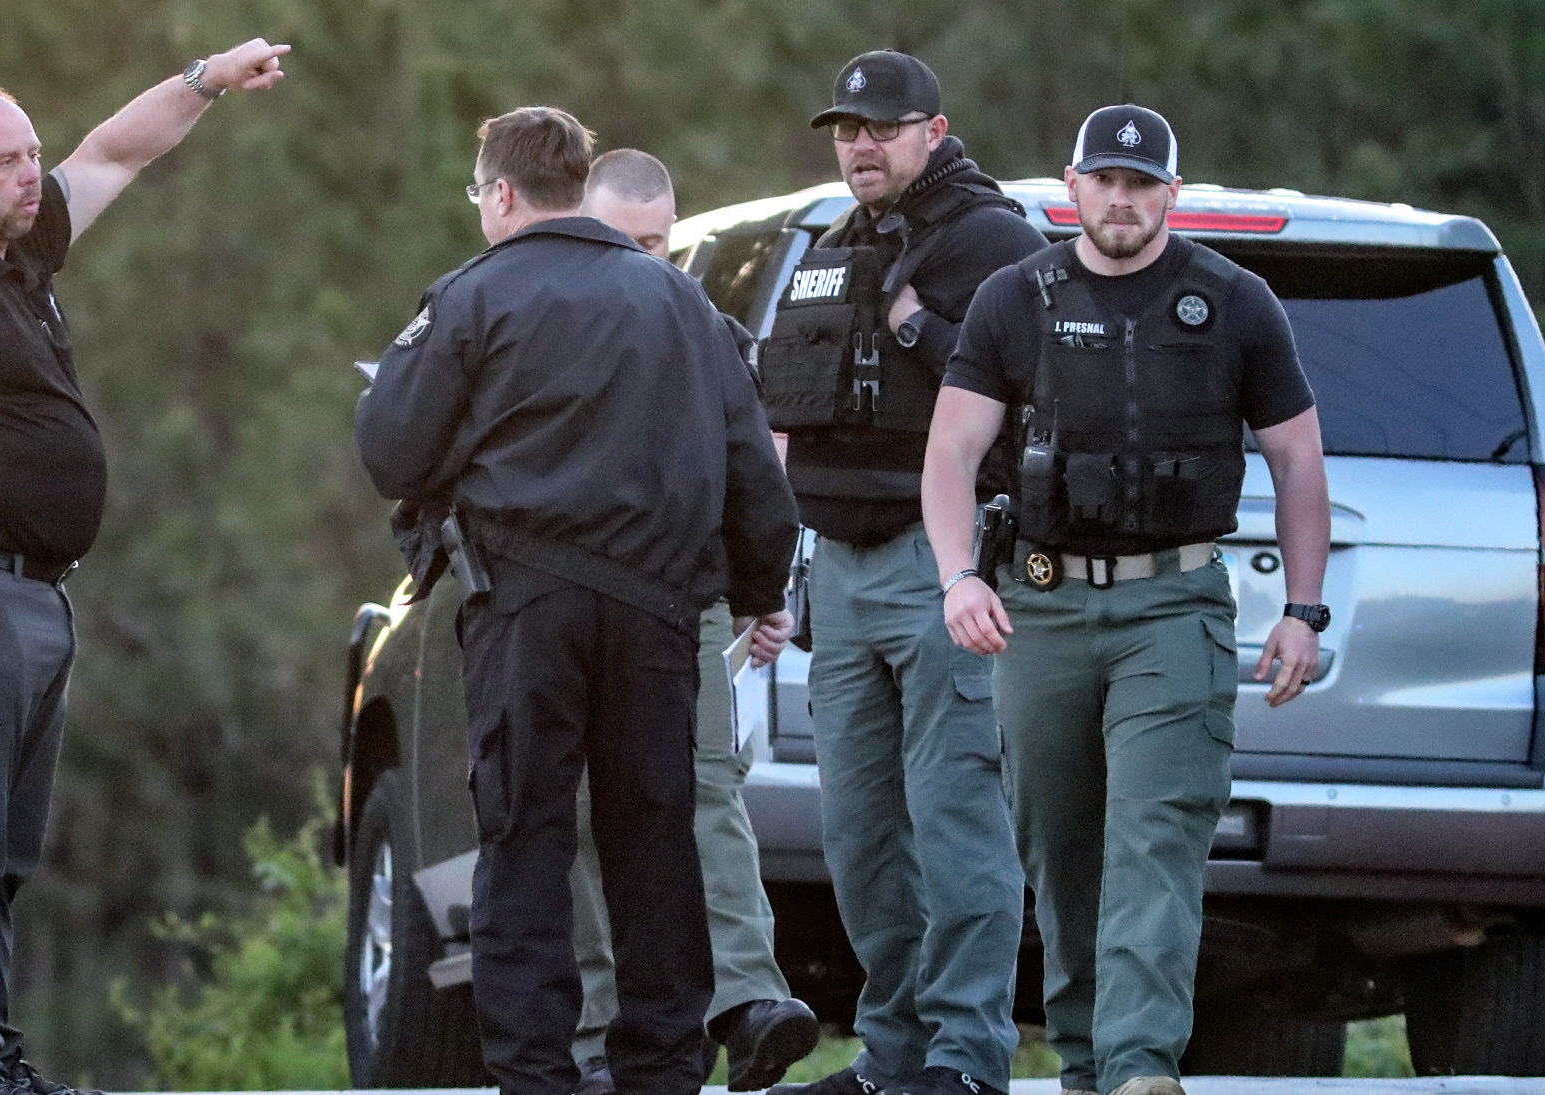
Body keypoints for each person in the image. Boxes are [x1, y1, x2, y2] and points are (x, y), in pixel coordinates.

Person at [0, 39, 289, 1095]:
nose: (27, 175)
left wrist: (204, 80)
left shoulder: (22, 254)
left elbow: (113, 154)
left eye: (28, 155)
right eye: (1, 163)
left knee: (5, 856)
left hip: (36, 593)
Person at [354, 107, 800, 1095]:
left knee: (524, 842)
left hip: (525, 610)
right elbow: (754, 481)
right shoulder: (680, 304)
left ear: (501, 193)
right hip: (657, 616)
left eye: (478, 194)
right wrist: (758, 588)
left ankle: (538, 1073)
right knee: (653, 840)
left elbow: (389, 449)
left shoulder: (469, 299)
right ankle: (658, 1070)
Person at [924, 105, 1331, 1095]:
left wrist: (1302, 610)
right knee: (1061, 853)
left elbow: (1296, 459)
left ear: (1169, 196)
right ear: (1071, 186)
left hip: (1172, 606)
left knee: (1155, 835)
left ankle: (1140, 1067)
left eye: (1141, 183)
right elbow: (949, 451)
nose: (1120, 198)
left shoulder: (1233, 302)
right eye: (1104, 180)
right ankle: (1084, 1059)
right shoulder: (1011, 299)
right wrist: (956, 576)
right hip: (1042, 603)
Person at [762, 51, 1046, 1095]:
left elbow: (1037, 400)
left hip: (947, 571)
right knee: (860, 835)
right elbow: (785, 410)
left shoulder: (998, 243)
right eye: (844, 128)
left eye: (878, 127)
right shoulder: (836, 245)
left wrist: (920, 328)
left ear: (933, 129)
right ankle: (891, 1057)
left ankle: (964, 1058)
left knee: (955, 822)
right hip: (837, 570)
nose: (857, 145)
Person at [565, 149, 820, 1095]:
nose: (643, 259)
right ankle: (596, 1036)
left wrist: (762, 593)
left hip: (686, 604)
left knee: (704, 790)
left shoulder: (707, 329)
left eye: (656, 243)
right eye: (621, 239)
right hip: (566, 603)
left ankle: (748, 1005)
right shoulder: (541, 319)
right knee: (584, 809)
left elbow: (753, 470)